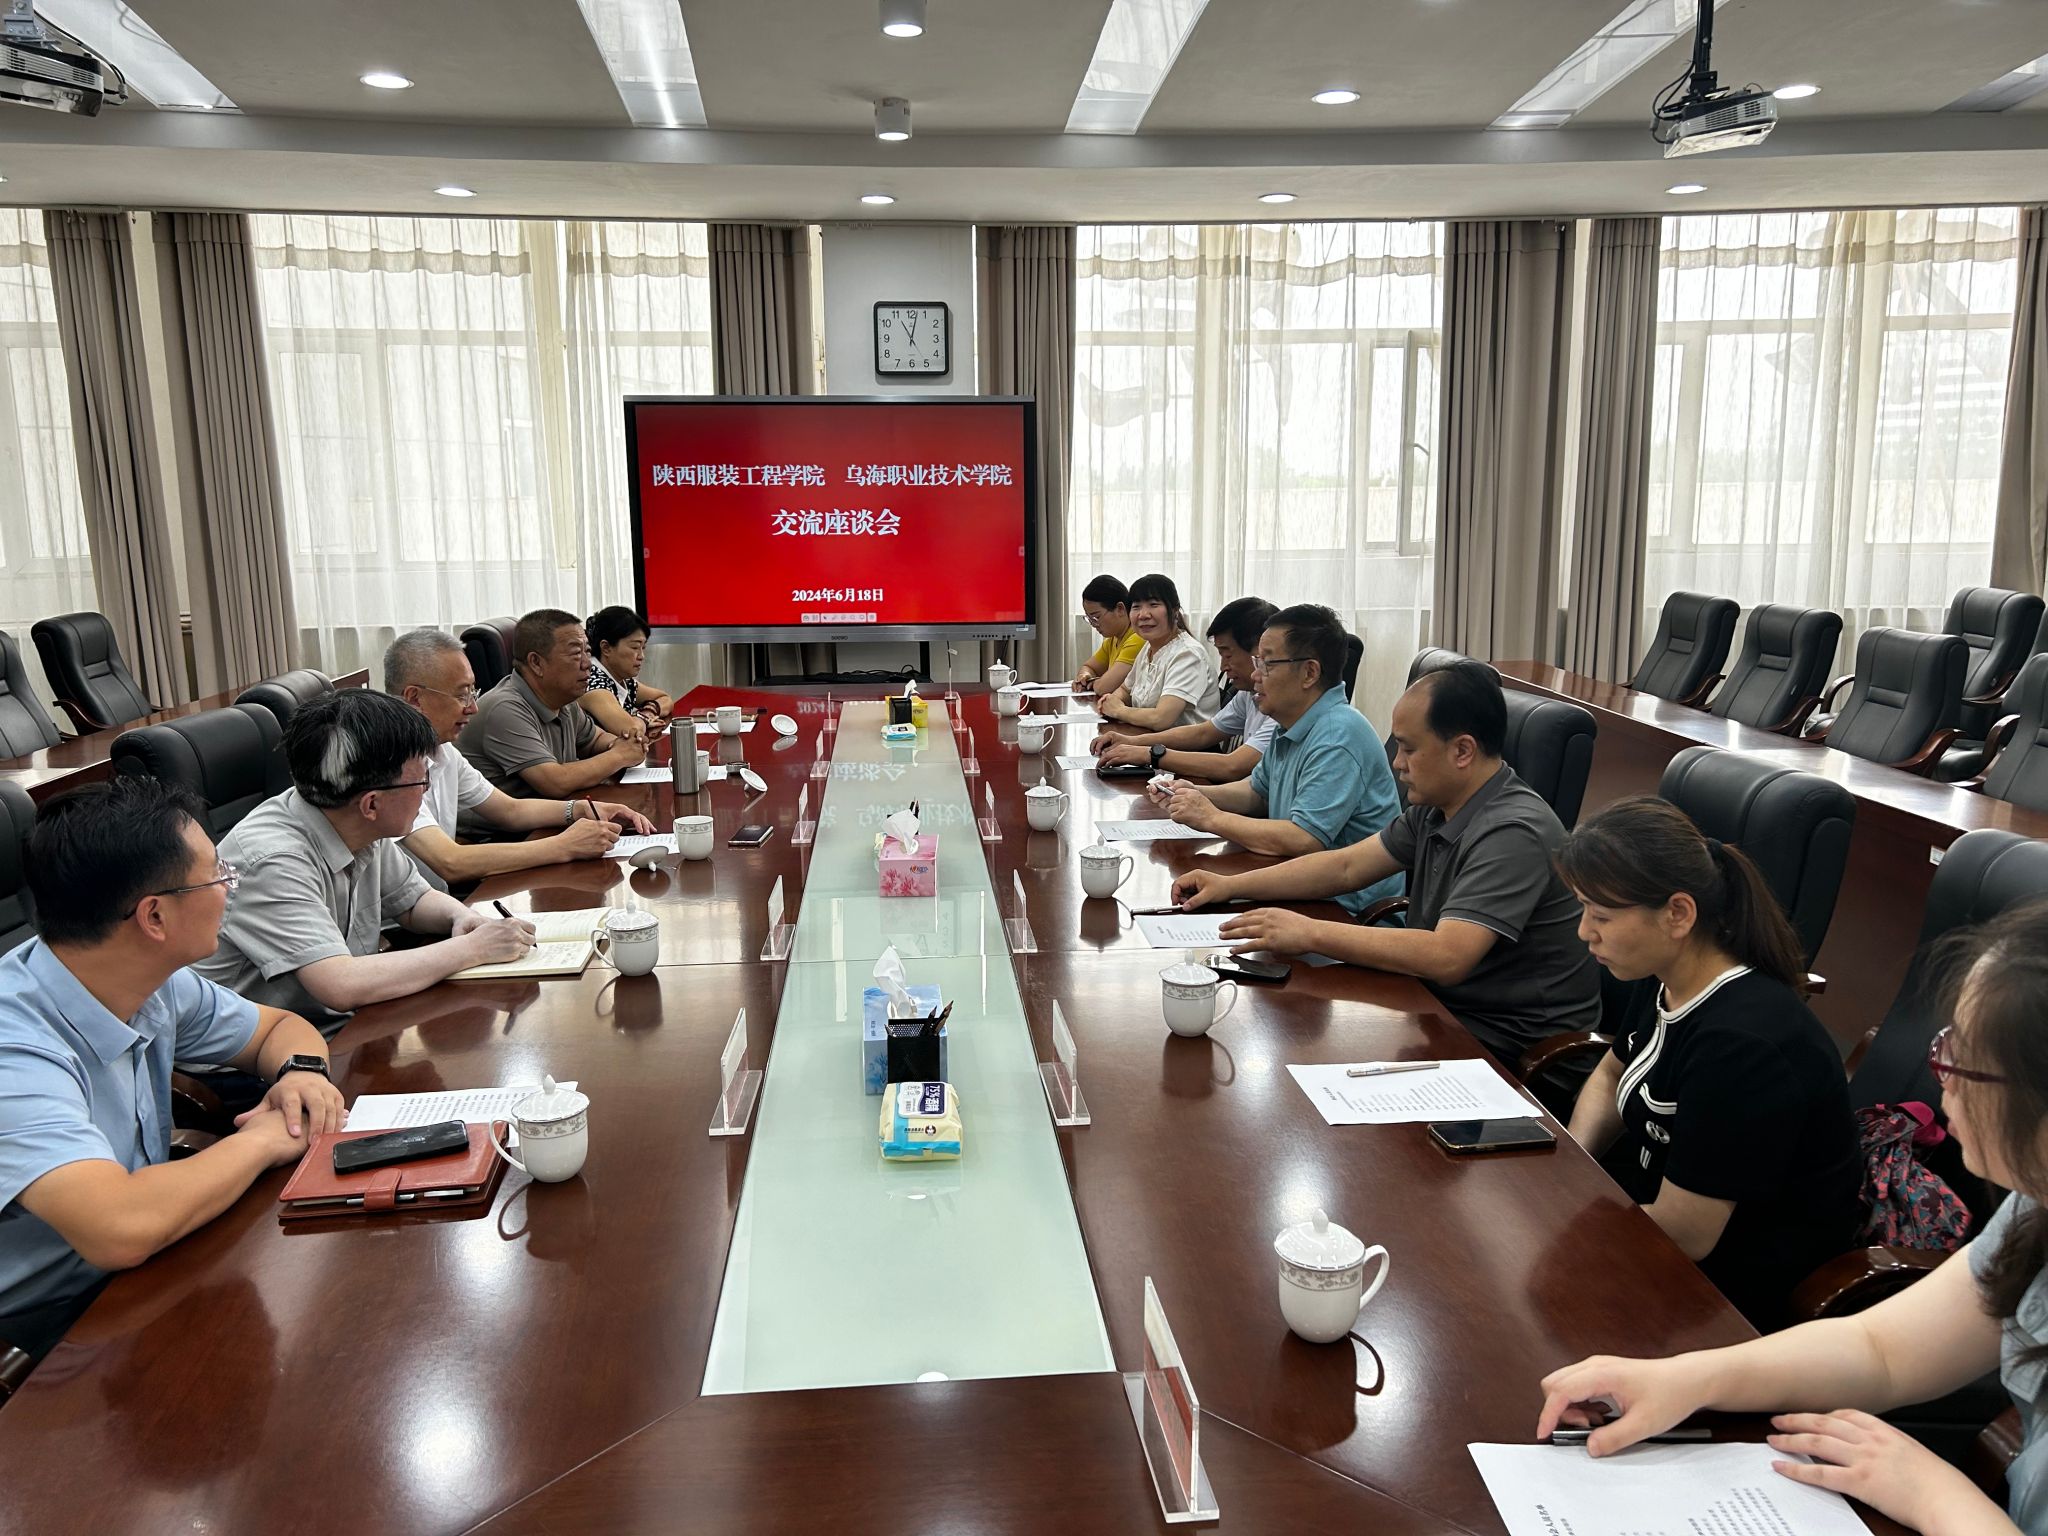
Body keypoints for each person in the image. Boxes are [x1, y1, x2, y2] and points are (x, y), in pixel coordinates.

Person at [1535, 900, 2048, 1536]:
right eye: (1946, 1043)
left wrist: (1935, 1495)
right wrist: (1685, 1378)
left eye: (1965, 1060)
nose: (1942, 1082)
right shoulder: (2033, 1209)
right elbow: (1883, 1349)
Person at [0, 778, 347, 1362]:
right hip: (47, 1335)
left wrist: (302, 1074)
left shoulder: (148, 978)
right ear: (154, 916)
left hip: (145, 1274)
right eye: (216, 876)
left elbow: (278, 1029)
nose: (229, 887)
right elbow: (118, 1228)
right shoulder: (15, 1048)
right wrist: (264, 1140)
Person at [1173, 659, 1601, 1093]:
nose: (1397, 763)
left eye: (1409, 749)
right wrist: (1229, 886)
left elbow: (1447, 956)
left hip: (1512, 1052)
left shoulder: (1513, 832)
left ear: (1463, 751)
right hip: (1442, 1011)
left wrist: (1310, 933)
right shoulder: (1437, 809)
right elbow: (1345, 866)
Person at [1555, 796, 1860, 1329]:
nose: (1585, 931)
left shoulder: (1743, 1046)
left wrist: (1568, 1223)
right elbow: (1611, 1071)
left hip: (1726, 1291)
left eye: (1601, 915)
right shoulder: (1664, 973)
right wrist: (1574, 1166)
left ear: (1677, 914)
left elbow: (1688, 1235)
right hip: (1644, 1219)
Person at [197, 690, 537, 1033]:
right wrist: (472, 949)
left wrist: (461, 917)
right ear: (371, 804)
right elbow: (341, 985)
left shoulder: (353, 820)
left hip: (338, 1026)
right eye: (422, 780)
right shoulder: (272, 860)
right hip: (265, 1053)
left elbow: (412, 901)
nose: (427, 790)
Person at [1149, 605, 1404, 912]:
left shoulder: (1339, 735)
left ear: (1309, 673)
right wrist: (1195, 793)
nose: (1255, 675)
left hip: (1343, 911)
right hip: (1293, 885)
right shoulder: (1292, 722)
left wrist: (1211, 817)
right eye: (1257, 662)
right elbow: (1257, 792)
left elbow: (1303, 838)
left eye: (1267, 664)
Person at [384, 629, 654, 890]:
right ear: (414, 698)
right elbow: (450, 862)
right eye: (461, 695)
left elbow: (510, 810)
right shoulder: (386, 763)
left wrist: (580, 809)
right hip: (410, 914)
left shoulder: (443, 751)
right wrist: (564, 846)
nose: (473, 707)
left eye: (473, 693)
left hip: (436, 901)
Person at [458, 608, 647, 802]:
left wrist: (622, 744)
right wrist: (620, 756)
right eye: (576, 654)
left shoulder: (564, 699)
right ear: (536, 663)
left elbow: (593, 740)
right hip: (502, 822)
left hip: (550, 812)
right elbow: (555, 782)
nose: (587, 664)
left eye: (588, 651)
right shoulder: (504, 709)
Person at [1092, 597, 1277, 783]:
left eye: (1227, 655)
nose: (1223, 666)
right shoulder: (1248, 693)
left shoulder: (1282, 708)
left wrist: (1149, 754)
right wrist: (1131, 742)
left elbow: (1232, 766)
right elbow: (1204, 732)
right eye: (1136, 607)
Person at [1095, 573, 1220, 731]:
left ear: (1174, 610)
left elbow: (1161, 718)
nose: (1143, 615)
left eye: (1153, 605)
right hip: (1147, 739)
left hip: (1183, 745)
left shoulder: (1188, 654)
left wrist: (1118, 710)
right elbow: (1125, 690)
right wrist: (1113, 700)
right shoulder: (1148, 648)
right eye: (1136, 607)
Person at [579, 606, 674, 741]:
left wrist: (648, 712)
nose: (641, 656)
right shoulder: (593, 682)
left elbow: (665, 699)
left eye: (643, 648)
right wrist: (643, 719)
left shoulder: (621, 678)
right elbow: (631, 730)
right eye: (635, 647)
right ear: (606, 648)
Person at [1072, 575, 1144, 696]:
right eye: (1089, 619)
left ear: (1120, 609)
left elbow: (1104, 687)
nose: (1093, 624)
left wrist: (1094, 682)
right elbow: (1089, 667)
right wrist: (1085, 676)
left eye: (1096, 617)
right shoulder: (1112, 640)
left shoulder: (1138, 637)